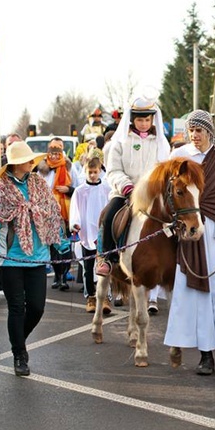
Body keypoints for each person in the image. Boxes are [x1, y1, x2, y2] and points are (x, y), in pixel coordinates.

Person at [163, 110, 215, 376]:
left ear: (209, 131)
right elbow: (171, 195)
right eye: (191, 130)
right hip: (191, 234)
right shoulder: (179, 157)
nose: (195, 135)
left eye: (199, 130)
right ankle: (206, 354)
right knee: (198, 298)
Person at [0, 141, 62, 376]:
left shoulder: (39, 182)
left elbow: (52, 211)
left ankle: (18, 340)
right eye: (27, 159)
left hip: (38, 255)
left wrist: (60, 242)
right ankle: (19, 354)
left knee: (36, 307)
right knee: (17, 308)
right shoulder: (0, 188)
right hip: (11, 257)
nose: (32, 162)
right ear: (15, 164)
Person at [97, 97, 170, 276]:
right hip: (125, 193)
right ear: (132, 119)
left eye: (147, 120)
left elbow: (165, 170)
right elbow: (113, 171)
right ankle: (107, 257)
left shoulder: (161, 143)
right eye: (139, 120)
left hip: (153, 194)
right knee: (108, 216)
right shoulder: (119, 142)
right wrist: (127, 187)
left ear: (153, 119)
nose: (144, 124)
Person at [37, 137, 80, 290]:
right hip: (48, 212)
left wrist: (69, 190)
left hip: (65, 212)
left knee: (66, 245)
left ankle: (64, 275)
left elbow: (78, 186)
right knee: (53, 246)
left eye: (58, 149)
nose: (55, 154)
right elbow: (37, 188)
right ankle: (57, 274)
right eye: (53, 150)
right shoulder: (42, 168)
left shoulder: (69, 167)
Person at [70, 156, 111, 313]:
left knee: (105, 265)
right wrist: (75, 223)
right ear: (85, 171)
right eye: (90, 172)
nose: (93, 175)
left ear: (100, 171)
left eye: (95, 172)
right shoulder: (80, 191)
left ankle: (105, 296)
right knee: (88, 267)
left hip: (102, 233)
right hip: (86, 232)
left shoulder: (106, 189)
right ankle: (91, 297)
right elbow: (75, 209)